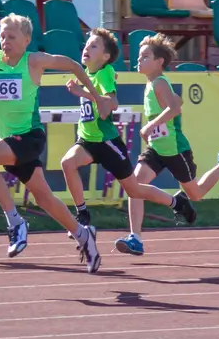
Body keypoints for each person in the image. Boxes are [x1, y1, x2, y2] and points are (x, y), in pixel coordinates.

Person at [0, 13, 111, 274]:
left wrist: (95, 96)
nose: (5, 41)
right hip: (11, 141)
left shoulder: (34, 60)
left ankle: (15, 222)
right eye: (2, 36)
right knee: (44, 198)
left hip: (29, 137)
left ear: (27, 40)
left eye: (12, 37)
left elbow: (74, 65)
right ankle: (84, 236)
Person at [114, 34, 219, 257]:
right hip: (156, 148)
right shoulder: (152, 84)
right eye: (138, 56)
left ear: (159, 62)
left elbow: (174, 109)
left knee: (196, 194)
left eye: (145, 57)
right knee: (134, 186)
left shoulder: (160, 82)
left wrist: (150, 125)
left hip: (175, 149)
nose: (139, 60)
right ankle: (135, 238)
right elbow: (175, 102)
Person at [60, 28, 196, 231]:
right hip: (87, 139)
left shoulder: (105, 73)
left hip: (107, 143)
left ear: (106, 57)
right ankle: (82, 213)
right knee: (67, 163)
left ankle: (176, 203)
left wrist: (84, 93)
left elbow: (111, 103)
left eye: (94, 45)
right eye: (87, 44)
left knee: (135, 189)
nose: (87, 47)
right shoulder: (86, 74)